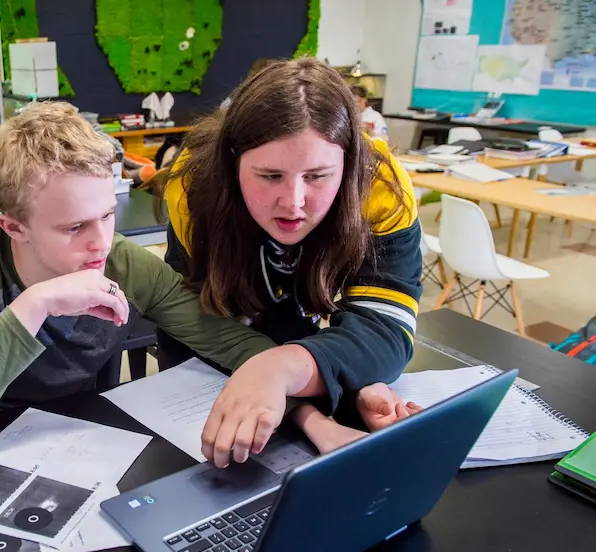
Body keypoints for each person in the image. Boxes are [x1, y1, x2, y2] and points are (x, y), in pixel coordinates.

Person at [0, 102, 415, 467]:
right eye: (74, 227)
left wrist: (311, 417)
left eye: (106, 215)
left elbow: (230, 343)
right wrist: (32, 308)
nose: (101, 243)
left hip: (87, 455)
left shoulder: (118, 258)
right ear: (14, 227)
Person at [160, 59, 423, 466]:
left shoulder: (381, 187)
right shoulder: (192, 187)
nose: (293, 202)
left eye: (318, 176)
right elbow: (195, 325)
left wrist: (312, 374)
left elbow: (385, 327)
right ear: (231, 162)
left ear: (349, 164)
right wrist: (324, 385)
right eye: (268, 176)